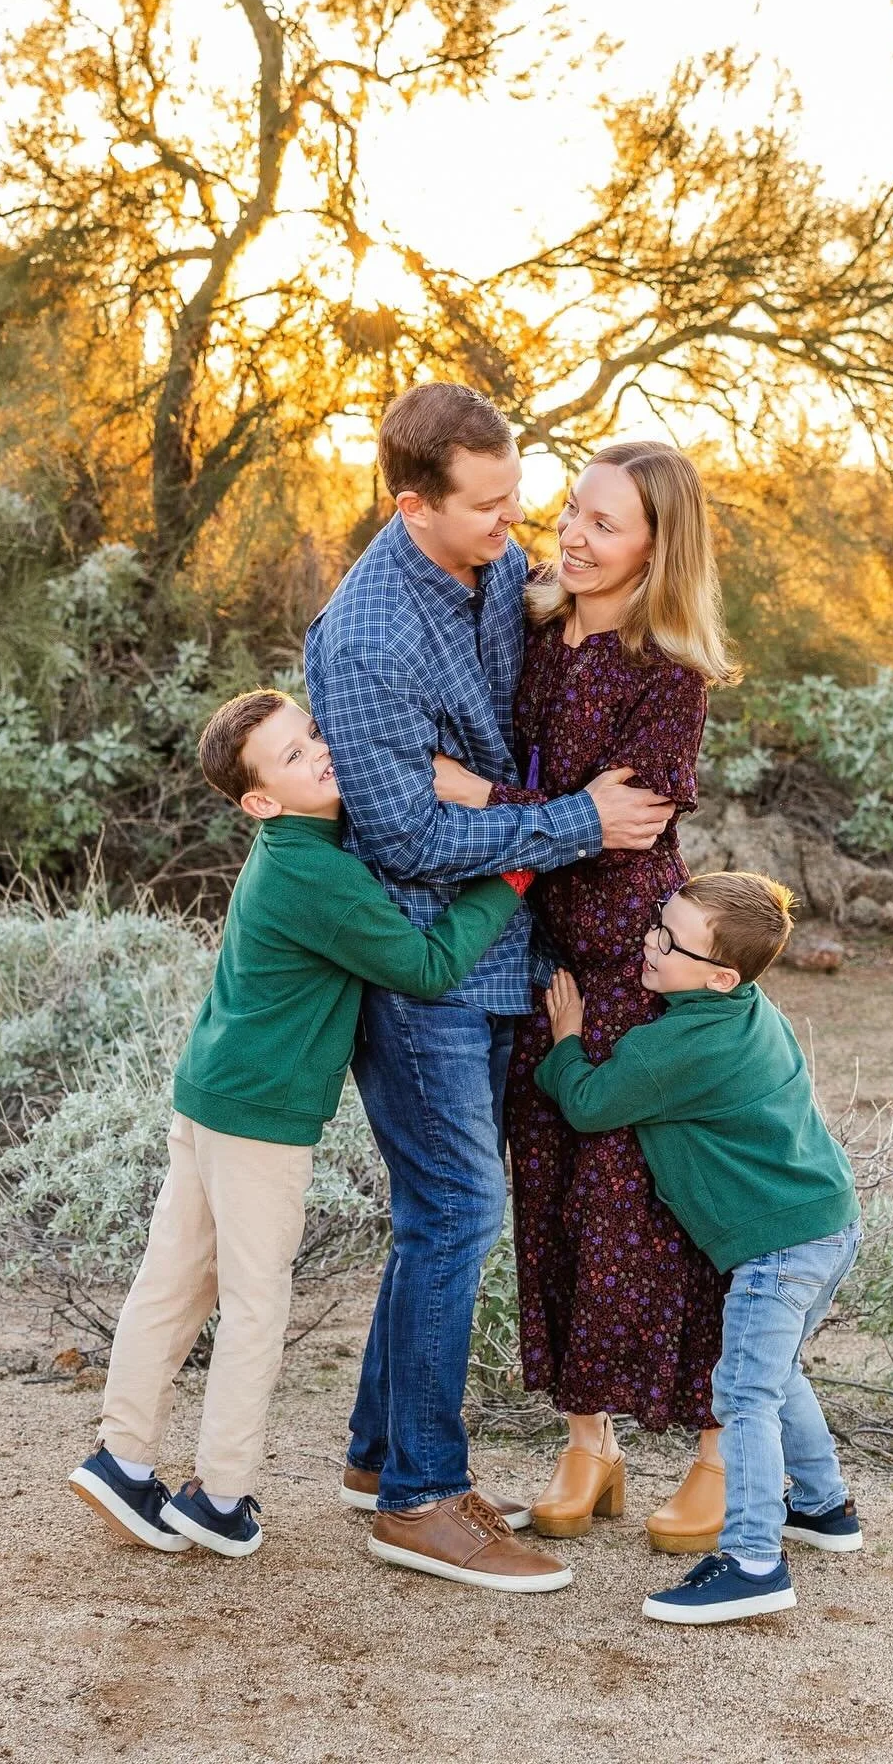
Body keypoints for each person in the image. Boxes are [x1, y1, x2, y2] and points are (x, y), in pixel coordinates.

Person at [303, 383, 673, 1593]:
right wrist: (574, 821)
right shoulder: (364, 640)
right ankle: (419, 1496)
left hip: (501, 947)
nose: (521, 522)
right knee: (458, 1208)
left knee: (441, 1211)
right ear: (415, 505)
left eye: (525, 495)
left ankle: (376, 1453)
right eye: (492, 504)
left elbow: (523, 722)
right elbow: (404, 832)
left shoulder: (491, 569)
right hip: (419, 962)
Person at [67, 688, 541, 1571]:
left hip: (211, 1094)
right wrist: (510, 877)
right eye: (293, 757)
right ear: (260, 802)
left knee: (174, 1281)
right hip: (259, 1118)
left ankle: (122, 1456)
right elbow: (427, 965)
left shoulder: (297, 847)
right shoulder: (314, 872)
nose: (320, 753)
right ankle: (219, 1494)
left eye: (313, 733)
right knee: (253, 1302)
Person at [433, 440, 735, 1550]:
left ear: (658, 546)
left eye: (606, 524)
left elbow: (625, 832)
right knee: (552, 1203)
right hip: (530, 964)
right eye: (573, 510)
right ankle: (587, 1441)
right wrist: (556, 805)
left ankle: (714, 1449)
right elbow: (574, 817)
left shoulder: (669, 678)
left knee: (654, 1207)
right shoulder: (523, 629)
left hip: (635, 969)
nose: (573, 533)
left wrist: (480, 794)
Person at [533, 871, 863, 1624]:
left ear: (719, 976)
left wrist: (566, 1041)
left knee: (744, 1393)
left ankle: (753, 1561)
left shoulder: (670, 1048)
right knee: (775, 1373)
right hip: (829, 1222)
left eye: (666, 941)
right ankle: (822, 1506)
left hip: (777, 1247)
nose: (648, 944)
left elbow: (588, 1105)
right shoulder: (752, 1010)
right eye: (658, 922)